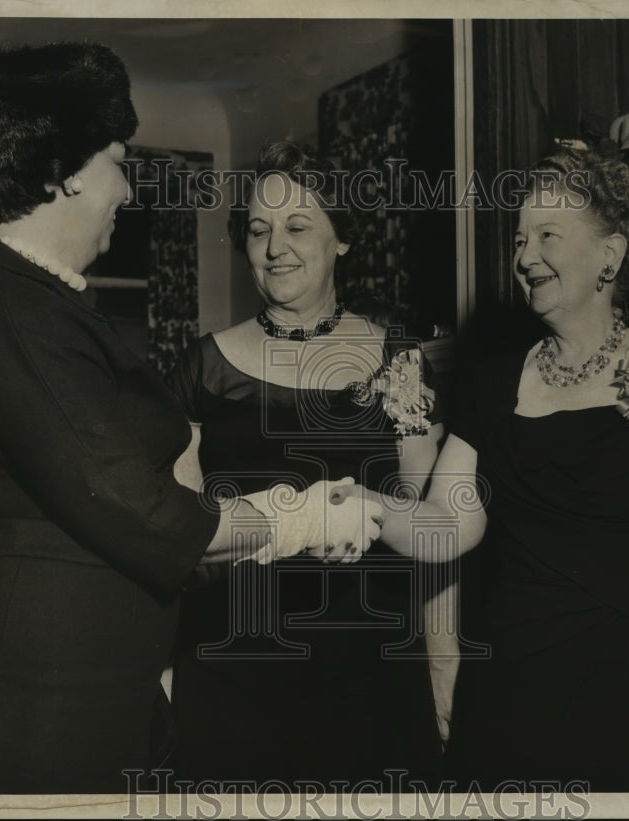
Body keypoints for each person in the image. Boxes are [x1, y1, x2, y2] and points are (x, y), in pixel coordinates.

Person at [0, 44, 380, 794]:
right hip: (30, 729)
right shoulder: (9, 315)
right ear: (64, 172)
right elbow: (144, 513)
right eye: (116, 158)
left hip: (74, 713)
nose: (125, 185)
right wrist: (302, 516)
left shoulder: (23, 305)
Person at [368, 143, 629, 791]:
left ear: (610, 255)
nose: (524, 256)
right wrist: (368, 507)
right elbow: (446, 529)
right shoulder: (493, 384)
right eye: (519, 239)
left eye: (547, 235)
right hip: (510, 703)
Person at [169, 141, 447, 787]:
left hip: (368, 665)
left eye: (298, 226)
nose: (274, 248)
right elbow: (179, 535)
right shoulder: (200, 368)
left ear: (342, 238)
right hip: (230, 662)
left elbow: (436, 529)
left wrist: (444, 662)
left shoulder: (400, 360)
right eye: (259, 230)